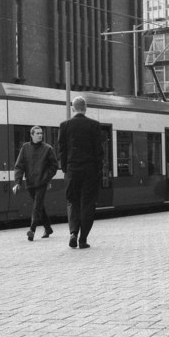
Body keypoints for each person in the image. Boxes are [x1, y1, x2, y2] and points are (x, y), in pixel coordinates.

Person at [58, 96, 103, 249]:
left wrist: (66, 169)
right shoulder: (94, 125)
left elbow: (62, 151)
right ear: (85, 108)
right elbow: (99, 151)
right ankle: (83, 239)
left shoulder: (64, 126)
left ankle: (73, 233)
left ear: (72, 108)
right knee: (87, 204)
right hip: (90, 171)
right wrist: (98, 170)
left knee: (72, 202)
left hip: (72, 170)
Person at [12, 126, 58, 241]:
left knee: (36, 205)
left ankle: (32, 230)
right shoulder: (25, 147)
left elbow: (54, 166)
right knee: (39, 206)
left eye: (41, 133)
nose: (40, 135)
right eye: (37, 133)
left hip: (42, 183)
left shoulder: (48, 148)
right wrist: (17, 182)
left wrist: (46, 178)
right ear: (31, 135)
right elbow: (19, 166)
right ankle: (48, 228)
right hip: (30, 182)